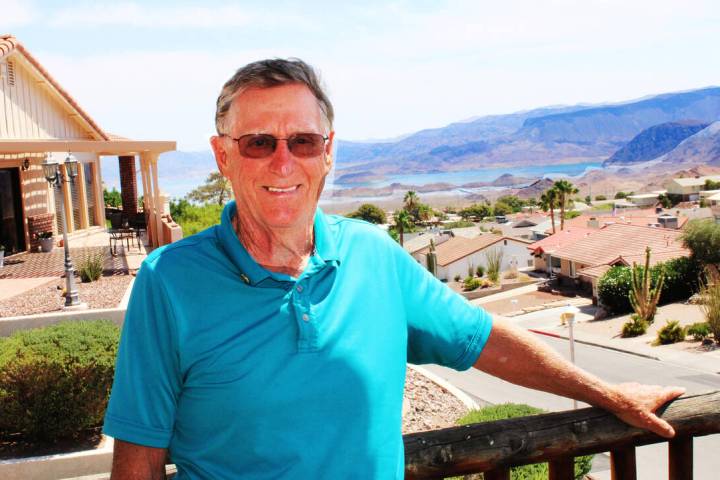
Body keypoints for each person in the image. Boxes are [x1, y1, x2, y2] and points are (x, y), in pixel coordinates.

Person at [103, 59, 684, 479]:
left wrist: (607, 392)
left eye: (303, 141)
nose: (284, 161)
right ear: (223, 155)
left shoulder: (373, 256)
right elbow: (138, 460)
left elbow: (486, 342)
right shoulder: (169, 281)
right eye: (258, 142)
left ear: (328, 152)